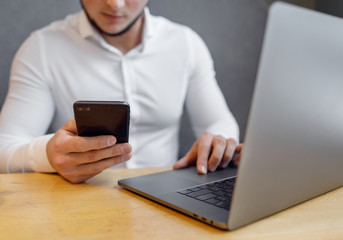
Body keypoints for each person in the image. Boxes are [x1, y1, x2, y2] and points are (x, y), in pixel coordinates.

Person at [0, 0, 242, 183]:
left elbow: (219, 122)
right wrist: (48, 155)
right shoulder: (42, 48)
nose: (114, 4)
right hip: (80, 205)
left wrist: (218, 141)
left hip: (168, 202)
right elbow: (4, 149)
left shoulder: (185, 44)